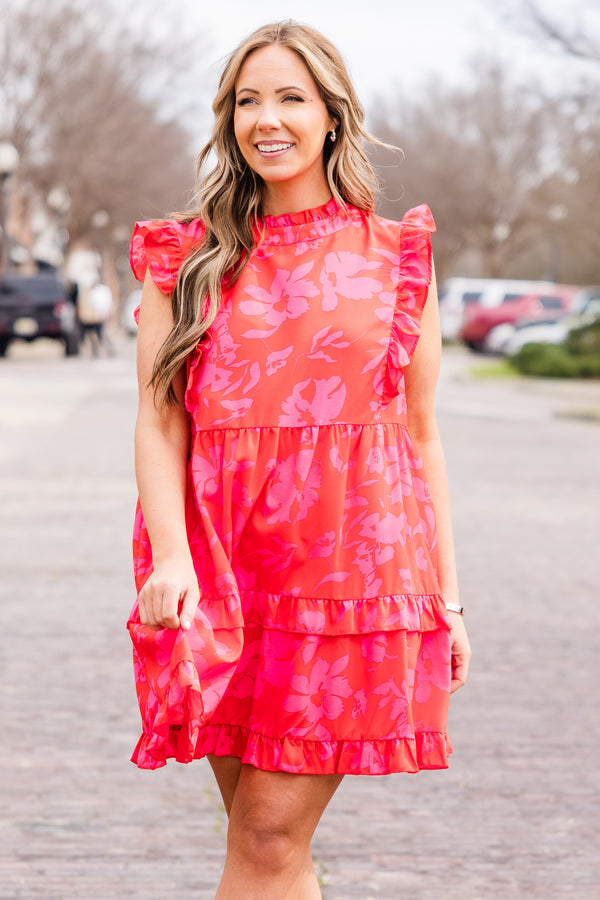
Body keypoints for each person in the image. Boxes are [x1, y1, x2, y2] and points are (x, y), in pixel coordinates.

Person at [128, 20, 471, 900]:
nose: (266, 119)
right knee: (269, 845)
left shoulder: (397, 256)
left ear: (332, 114)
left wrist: (447, 597)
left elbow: (419, 432)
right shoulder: (187, 256)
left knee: (267, 833)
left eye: (290, 97)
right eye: (248, 101)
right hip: (221, 573)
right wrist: (171, 558)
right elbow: (160, 423)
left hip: (350, 575)